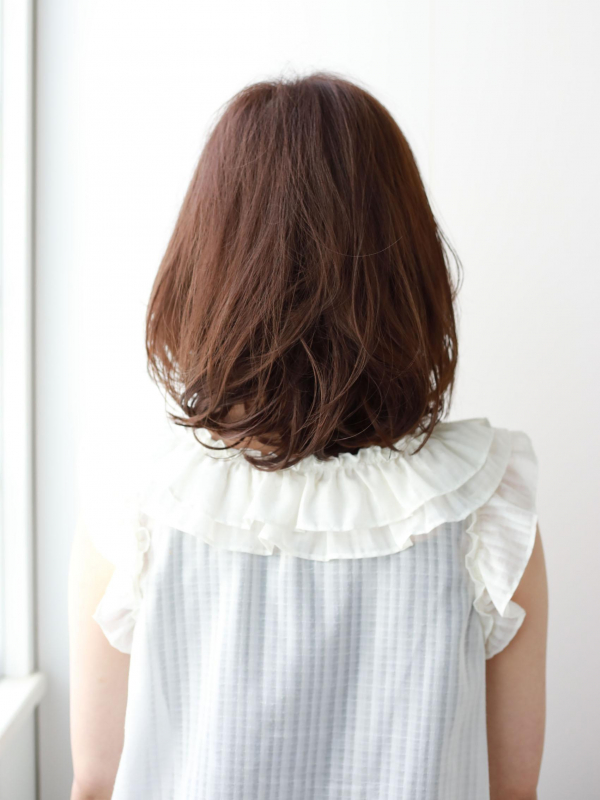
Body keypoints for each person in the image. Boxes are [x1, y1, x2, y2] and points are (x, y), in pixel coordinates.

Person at [69, 72, 548, 800]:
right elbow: (513, 790)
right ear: (407, 267)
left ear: (208, 266)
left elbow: (96, 781)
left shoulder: (135, 500)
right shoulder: (487, 504)